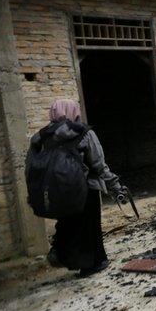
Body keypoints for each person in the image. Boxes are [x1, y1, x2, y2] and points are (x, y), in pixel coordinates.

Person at [26, 99, 126, 276]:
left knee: (68, 223)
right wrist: (115, 186)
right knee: (90, 226)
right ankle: (93, 263)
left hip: (59, 191)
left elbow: (35, 166)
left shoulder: (43, 137)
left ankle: (66, 256)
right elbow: (99, 165)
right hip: (86, 189)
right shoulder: (84, 133)